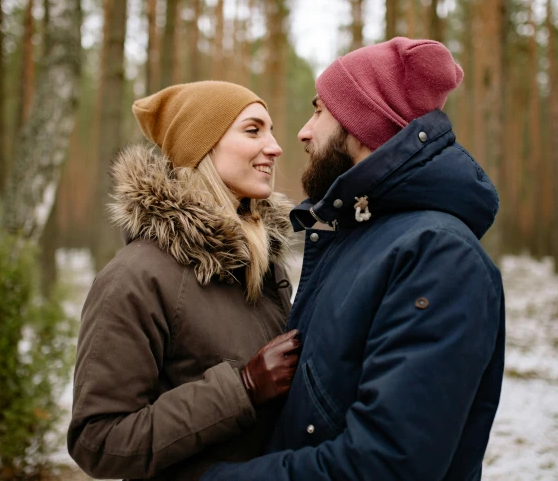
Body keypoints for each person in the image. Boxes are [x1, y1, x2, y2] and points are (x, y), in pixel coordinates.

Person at [202, 38, 506, 481]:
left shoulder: (438, 256)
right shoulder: (361, 236)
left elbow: (385, 465)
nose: (303, 132)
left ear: (364, 123)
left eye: (320, 110)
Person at [67, 81, 302, 481]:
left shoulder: (263, 266)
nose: (276, 146)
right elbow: (98, 442)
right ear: (203, 146)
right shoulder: (134, 278)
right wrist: (242, 388)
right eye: (253, 130)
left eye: (272, 130)